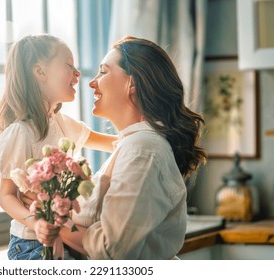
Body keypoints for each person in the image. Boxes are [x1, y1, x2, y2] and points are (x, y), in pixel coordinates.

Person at [33, 36, 207, 259]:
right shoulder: (131, 146)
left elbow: (112, 249)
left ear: (132, 83)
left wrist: (53, 224)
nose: (91, 82)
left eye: (104, 72)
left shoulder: (142, 150)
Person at [0, 34, 117, 260]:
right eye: (69, 66)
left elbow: (114, 144)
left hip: (66, 237)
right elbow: (6, 196)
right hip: (31, 245)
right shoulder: (20, 133)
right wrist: (37, 222)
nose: (78, 73)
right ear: (40, 72)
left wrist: (149, 135)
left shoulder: (62, 123)